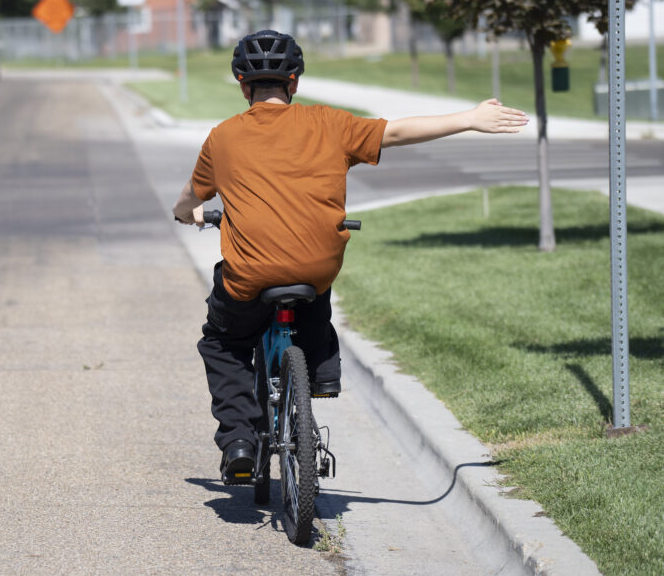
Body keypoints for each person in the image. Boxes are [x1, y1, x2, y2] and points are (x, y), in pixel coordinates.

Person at [172, 30, 528, 484]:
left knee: (222, 342)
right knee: (315, 291)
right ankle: (320, 370)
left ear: (242, 85)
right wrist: (471, 117)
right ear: (295, 82)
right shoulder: (330, 124)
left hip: (251, 275)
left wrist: (188, 214)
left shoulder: (222, 138)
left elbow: (190, 195)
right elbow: (397, 131)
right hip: (316, 268)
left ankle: (240, 440)